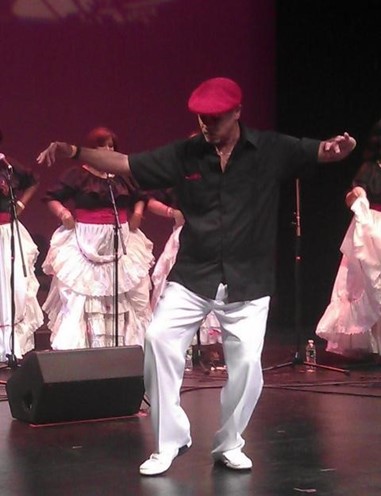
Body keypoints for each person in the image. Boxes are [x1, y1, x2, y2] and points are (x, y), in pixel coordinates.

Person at [37, 77, 356, 475]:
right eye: (202, 118)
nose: (207, 125)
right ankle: (171, 441)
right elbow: (126, 163)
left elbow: (319, 152)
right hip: (194, 275)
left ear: (237, 113)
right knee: (158, 339)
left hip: (249, 281)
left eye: (216, 119)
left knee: (246, 369)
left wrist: (335, 150)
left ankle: (229, 442)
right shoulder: (185, 154)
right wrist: (74, 151)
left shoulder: (269, 149)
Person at [41, 126, 154, 350]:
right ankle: (83, 353)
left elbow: (141, 196)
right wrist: (63, 214)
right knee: (83, 294)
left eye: (111, 145)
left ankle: (127, 350)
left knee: (126, 293)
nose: (108, 149)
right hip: (86, 238)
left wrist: (138, 213)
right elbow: (51, 197)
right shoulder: (77, 175)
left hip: (120, 238)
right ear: (92, 149)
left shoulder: (122, 176)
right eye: (102, 145)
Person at [316, 119, 381, 359]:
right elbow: (354, 193)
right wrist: (358, 197)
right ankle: (371, 346)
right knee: (365, 284)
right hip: (371, 225)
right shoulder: (371, 167)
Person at [147, 188, 222, 347]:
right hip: (185, 238)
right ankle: (182, 344)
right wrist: (171, 212)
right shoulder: (183, 174)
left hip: (216, 240)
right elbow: (150, 200)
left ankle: (210, 345)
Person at [0, 149, 44, 362]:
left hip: (7, 230)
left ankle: (10, 346)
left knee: (12, 286)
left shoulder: (8, 166)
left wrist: (20, 204)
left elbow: (33, 180)